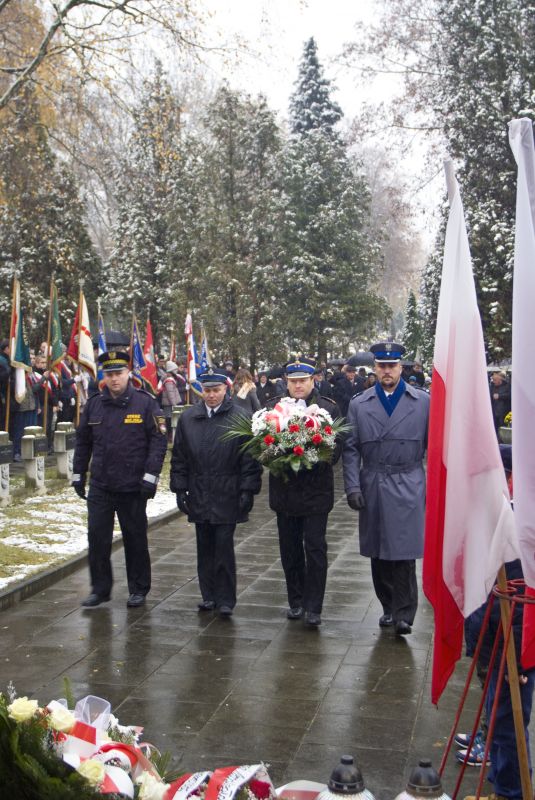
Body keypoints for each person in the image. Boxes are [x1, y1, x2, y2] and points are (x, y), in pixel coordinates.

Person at [342, 341, 430, 635]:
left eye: (392, 365)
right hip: (374, 482)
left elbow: (435, 447)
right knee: (378, 551)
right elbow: (351, 449)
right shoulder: (359, 404)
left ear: (401, 367)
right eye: (382, 366)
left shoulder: (422, 402)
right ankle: (388, 607)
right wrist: (352, 486)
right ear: (375, 368)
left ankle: (405, 613)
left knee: (404, 552)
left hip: (408, 481)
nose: (387, 371)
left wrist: (434, 488)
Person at [72, 351, 167, 608]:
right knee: (97, 538)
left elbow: (158, 441)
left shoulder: (145, 403)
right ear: (104, 376)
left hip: (132, 486)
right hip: (101, 484)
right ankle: (100, 589)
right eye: (109, 374)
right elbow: (83, 442)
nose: (114, 379)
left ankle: (139, 588)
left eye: (119, 373)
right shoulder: (94, 404)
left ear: (128, 374)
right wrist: (78, 474)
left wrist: (150, 477)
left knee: (135, 539)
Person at [170, 366, 262, 617]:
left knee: (223, 547)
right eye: (207, 390)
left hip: (227, 491)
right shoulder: (189, 418)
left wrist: (248, 489)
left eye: (216, 390)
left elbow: (250, 457)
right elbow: (179, 456)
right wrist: (180, 488)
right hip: (199, 490)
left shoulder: (241, 416)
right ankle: (208, 595)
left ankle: (225, 599)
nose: (211, 395)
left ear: (226, 389)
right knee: (204, 546)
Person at [267, 356, 342, 627]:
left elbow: (336, 450)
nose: (298, 386)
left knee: (315, 548)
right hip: (285, 491)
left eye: (303, 381)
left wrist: (309, 455)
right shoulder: (272, 409)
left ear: (313, 380)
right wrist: (278, 454)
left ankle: (314, 606)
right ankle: (296, 601)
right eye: (293, 381)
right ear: (286, 382)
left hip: (315, 492)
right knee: (290, 550)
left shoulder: (328, 408)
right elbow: (263, 447)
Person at [158, 361, 182, 441]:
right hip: (169, 404)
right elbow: (170, 393)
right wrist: (174, 404)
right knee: (169, 420)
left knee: (170, 420)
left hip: (169, 404)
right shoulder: (169, 381)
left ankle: (169, 436)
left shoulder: (169, 379)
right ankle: (169, 436)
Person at [490, 370, 511, 438]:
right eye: (493, 380)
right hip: (494, 411)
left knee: (502, 428)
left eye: (495, 380)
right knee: (495, 428)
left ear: (500, 380)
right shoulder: (492, 386)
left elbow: (509, 396)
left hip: (504, 412)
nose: (493, 381)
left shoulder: (507, 386)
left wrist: (500, 396)